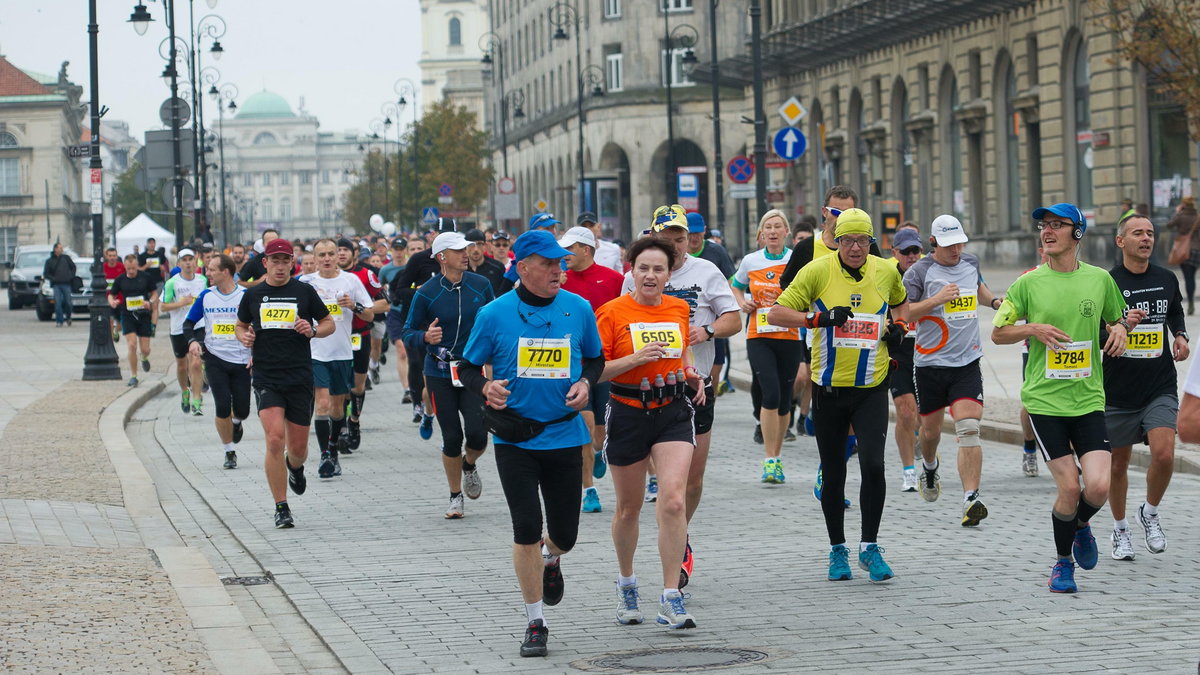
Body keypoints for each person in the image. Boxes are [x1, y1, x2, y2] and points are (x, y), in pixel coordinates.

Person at [457, 230, 602, 657]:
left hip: (563, 434)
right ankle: (535, 622)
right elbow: (464, 367)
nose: (560, 269)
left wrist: (585, 382)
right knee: (525, 529)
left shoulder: (578, 309)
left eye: (562, 262)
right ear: (523, 268)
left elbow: (595, 358)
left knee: (565, 535)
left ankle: (552, 558)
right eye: (549, 263)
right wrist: (485, 387)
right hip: (515, 437)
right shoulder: (495, 313)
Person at [991, 202, 1130, 593]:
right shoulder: (1028, 283)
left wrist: (1119, 329)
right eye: (1043, 225)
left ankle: (1081, 524)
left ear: (1077, 233)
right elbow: (999, 333)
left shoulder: (1100, 279)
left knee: (1098, 487)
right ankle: (1062, 563)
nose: (1047, 231)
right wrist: (1031, 328)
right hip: (1045, 402)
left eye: (1057, 225)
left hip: (1088, 399)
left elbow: (1117, 318)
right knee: (1070, 488)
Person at [769, 208, 908, 583]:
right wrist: (816, 319)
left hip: (871, 387)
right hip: (828, 388)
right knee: (833, 474)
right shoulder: (816, 270)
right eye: (847, 240)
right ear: (836, 240)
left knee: (874, 466)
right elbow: (775, 314)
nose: (855, 248)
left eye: (863, 240)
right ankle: (837, 549)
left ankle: (870, 547)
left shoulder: (886, 270)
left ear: (871, 242)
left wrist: (900, 328)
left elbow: (900, 305)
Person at [629, 205, 740, 589]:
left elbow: (734, 319)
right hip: (646, 390)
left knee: (691, 483)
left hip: (695, 389)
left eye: (681, 238)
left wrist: (706, 331)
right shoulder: (638, 275)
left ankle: (681, 535)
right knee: (665, 484)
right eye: (668, 238)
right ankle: (671, 541)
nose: (675, 245)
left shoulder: (706, 272)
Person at [598, 236, 706, 630]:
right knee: (629, 508)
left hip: (673, 411)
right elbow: (596, 371)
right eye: (643, 267)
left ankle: (670, 596)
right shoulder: (611, 312)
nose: (650, 275)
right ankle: (627, 583)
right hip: (627, 412)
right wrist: (635, 358)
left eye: (658, 268)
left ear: (669, 273)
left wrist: (691, 372)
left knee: (674, 501)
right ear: (631, 269)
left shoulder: (678, 308)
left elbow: (682, 352)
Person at [901, 215, 1003, 526]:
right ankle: (929, 468)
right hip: (930, 365)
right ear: (933, 243)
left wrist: (996, 301)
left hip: (966, 362)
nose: (956, 249)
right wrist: (937, 299)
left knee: (968, 427)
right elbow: (903, 313)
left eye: (959, 242)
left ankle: (970, 498)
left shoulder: (970, 261)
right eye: (948, 245)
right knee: (930, 433)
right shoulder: (919, 272)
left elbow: (980, 289)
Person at [1103, 213, 1188, 560]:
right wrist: (1122, 325)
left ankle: (1149, 513)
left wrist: (1180, 335)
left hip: (1159, 384)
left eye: (1150, 233)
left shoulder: (1166, 278)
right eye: (1138, 233)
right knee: (1118, 464)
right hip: (1118, 389)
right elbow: (1094, 332)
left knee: (1165, 454)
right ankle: (1121, 530)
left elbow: (1175, 311)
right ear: (1121, 241)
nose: (1146, 238)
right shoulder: (1106, 283)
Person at [236, 238, 335, 528]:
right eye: (274, 260)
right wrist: (243, 337)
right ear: (264, 263)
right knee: (274, 438)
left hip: (300, 376)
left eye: (285, 260)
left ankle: (296, 468)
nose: (280, 266)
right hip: (267, 376)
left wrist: (313, 330)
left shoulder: (304, 292)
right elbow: (241, 326)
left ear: (292, 263)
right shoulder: (253, 295)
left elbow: (329, 323)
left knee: (299, 449)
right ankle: (281, 506)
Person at [402, 232, 495, 518]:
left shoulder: (481, 285)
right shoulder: (427, 291)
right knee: (452, 437)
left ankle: (469, 464)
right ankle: (455, 496)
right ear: (442, 257)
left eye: (466, 249)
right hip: (440, 371)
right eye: (458, 251)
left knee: (479, 436)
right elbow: (408, 332)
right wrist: (425, 337)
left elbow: (495, 320)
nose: (466, 254)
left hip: (471, 371)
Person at [559, 225, 625, 514]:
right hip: (574, 367)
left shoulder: (614, 280)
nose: (564, 254)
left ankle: (600, 451)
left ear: (586, 250)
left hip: (606, 365)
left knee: (601, 432)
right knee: (583, 429)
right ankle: (589, 490)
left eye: (570, 249)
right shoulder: (559, 280)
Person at [732, 209, 800, 483]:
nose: (772, 231)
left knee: (784, 400)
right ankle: (770, 460)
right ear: (761, 234)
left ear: (786, 233)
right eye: (767, 227)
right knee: (770, 394)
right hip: (758, 334)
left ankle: (778, 454)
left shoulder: (796, 259)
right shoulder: (750, 260)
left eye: (777, 227)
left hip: (790, 335)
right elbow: (736, 286)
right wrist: (741, 302)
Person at [299, 239, 375, 479]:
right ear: (315, 257)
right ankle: (325, 455)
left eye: (331, 253)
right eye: (321, 254)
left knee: (337, 407)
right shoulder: (305, 283)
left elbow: (370, 313)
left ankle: (333, 448)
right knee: (321, 403)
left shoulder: (350, 280)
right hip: (315, 351)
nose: (327, 258)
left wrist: (353, 306)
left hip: (342, 352)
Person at [183, 254, 252, 470]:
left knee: (242, 409)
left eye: (212, 269)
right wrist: (193, 341)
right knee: (222, 405)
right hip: (214, 357)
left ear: (226, 272)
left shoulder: (246, 296)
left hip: (242, 359)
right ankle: (229, 450)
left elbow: (258, 324)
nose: (207, 273)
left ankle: (237, 422)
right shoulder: (206, 296)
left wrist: (255, 350)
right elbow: (188, 324)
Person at [337, 238, 389, 452]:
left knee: (357, 387)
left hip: (360, 334)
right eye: (337, 250)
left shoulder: (366, 275)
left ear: (354, 254)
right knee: (339, 387)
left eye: (345, 250)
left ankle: (354, 422)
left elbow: (384, 302)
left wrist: (359, 307)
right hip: (336, 337)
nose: (340, 254)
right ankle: (340, 428)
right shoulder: (328, 278)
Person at [886, 227, 924, 491]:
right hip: (897, 349)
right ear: (895, 253)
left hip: (927, 349)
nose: (911, 256)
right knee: (906, 410)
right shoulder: (887, 276)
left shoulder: (929, 273)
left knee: (923, 415)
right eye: (906, 252)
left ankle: (924, 447)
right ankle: (909, 471)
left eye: (916, 251)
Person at [685, 212, 737, 391]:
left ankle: (710, 395)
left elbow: (732, 280)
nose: (694, 237)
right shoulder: (678, 253)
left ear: (704, 231)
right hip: (689, 320)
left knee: (716, 367)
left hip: (713, 320)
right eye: (690, 233)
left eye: (697, 233)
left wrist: (729, 306)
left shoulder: (716, 251)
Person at [160, 249, 209, 415]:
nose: (188, 263)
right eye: (184, 260)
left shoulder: (202, 280)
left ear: (195, 262)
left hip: (198, 326)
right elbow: (163, 306)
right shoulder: (172, 283)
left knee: (196, 361)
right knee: (182, 366)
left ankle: (196, 400)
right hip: (178, 328)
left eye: (190, 260)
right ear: (179, 263)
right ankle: (185, 391)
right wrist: (181, 303)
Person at [108, 254, 160, 387]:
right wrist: (112, 302)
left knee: (145, 349)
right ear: (125, 266)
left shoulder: (145, 277)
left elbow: (154, 293)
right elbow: (111, 294)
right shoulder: (120, 279)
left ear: (137, 266)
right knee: (131, 345)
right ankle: (133, 375)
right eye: (128, 268)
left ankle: (144, 357)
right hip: (127, 314)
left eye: (133, 268)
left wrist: (150, 301)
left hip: (143, 315)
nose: (131, 271)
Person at [1166, 197, 1198, 315]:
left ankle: (1190, 302)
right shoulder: (1197, 216)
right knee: (1192, 277)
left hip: (1184, 250)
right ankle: (1191, 301)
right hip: (1196, 250)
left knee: (1187, 277)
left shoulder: (1181, 216)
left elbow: (1169, 224)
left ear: (1184, 204)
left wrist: (1177, 212)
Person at [465, 228, 512, 296]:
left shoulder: (497, 267)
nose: (475, 249)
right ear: (465, 247)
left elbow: (505, 293)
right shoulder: (461, 269)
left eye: (479, 244)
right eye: (471, 244)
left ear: (485, 246)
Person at [43, 242, 76, 327]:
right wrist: (53, 278)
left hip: (66, 284)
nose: (62, 250)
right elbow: (46, 273)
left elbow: (73, 267)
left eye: (62, 248)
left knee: (68, 302)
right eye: (60, 248)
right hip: (56, 285)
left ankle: (68, 317)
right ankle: (59, 320)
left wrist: (71, 276)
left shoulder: (66, 258)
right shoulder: (49, 261)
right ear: (55, 249)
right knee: (58, 303)